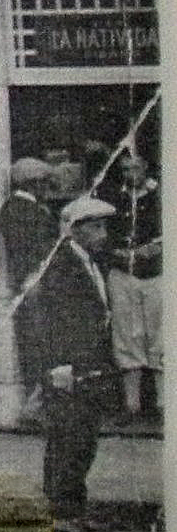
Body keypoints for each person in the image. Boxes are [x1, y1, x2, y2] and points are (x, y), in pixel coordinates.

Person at [14, 195, 120, 532]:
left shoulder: (89, 262)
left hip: (88, 365)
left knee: (83, 440)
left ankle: (73, 507)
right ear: (74, 230)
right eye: (96, 227)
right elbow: (51, 320)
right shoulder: (61, 266)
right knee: (68, 440)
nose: (103, 234)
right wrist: (59, 364)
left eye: (104, 226)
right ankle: (60, 511)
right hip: (67, 368)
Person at [103, 149, 162, 423]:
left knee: (159, 333)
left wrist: (157, 248)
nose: (131, 174)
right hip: (123, 273)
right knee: (127, 335)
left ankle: (163, 402)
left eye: (136, 168)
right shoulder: (114, 199)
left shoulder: (161, 196)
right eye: (126, 169)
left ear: (146, 168)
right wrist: (114, 252)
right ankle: (132, 405)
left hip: (156, 275)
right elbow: (102, 235)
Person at [0, 157, 58, 292]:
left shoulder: (13, 206)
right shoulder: (26, 209)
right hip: (33, 276)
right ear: (34, 183)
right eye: (45, 182)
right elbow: (29, 245)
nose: (47, 188)